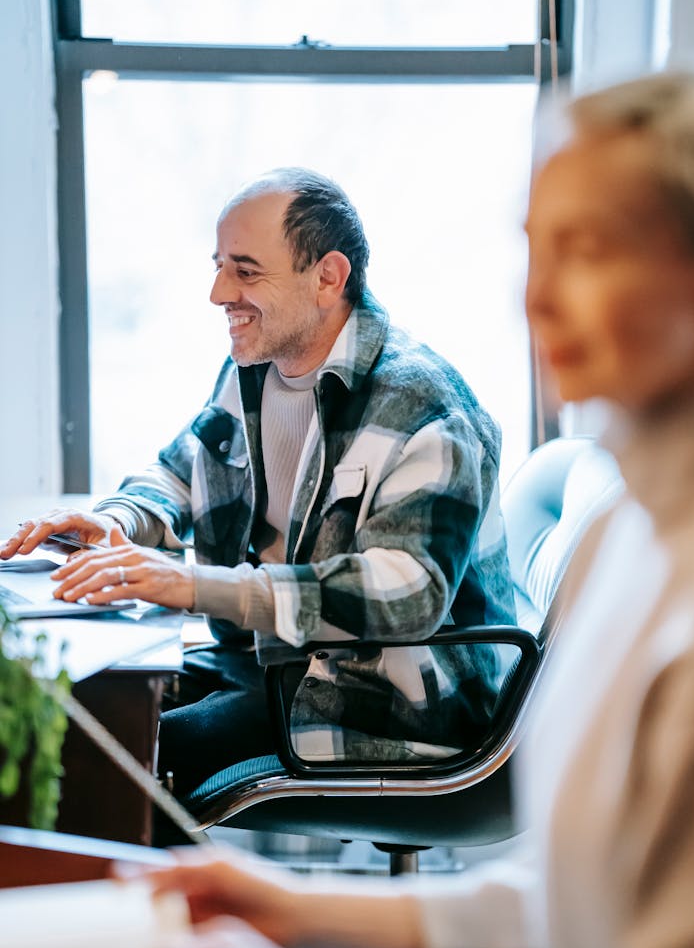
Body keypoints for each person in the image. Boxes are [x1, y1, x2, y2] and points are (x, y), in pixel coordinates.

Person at [117, 70, 694, 948]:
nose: (537, 295)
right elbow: (587, 894)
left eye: (590, 250)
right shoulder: (643, 524)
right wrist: (289, 903)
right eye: (533, 249)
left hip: (386, 696)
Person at [0, 168, 515, 792]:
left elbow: (407, 595)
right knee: (80, 711)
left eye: (245, 271)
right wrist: (118, 521)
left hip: (389, 703)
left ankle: (165, 891)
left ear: (329, 277)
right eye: (219, 265)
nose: (218, 292)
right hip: (265, 660)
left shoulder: (427, 409)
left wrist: (193, 584)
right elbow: (182, 468)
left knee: (112, 762)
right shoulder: (255, 363)